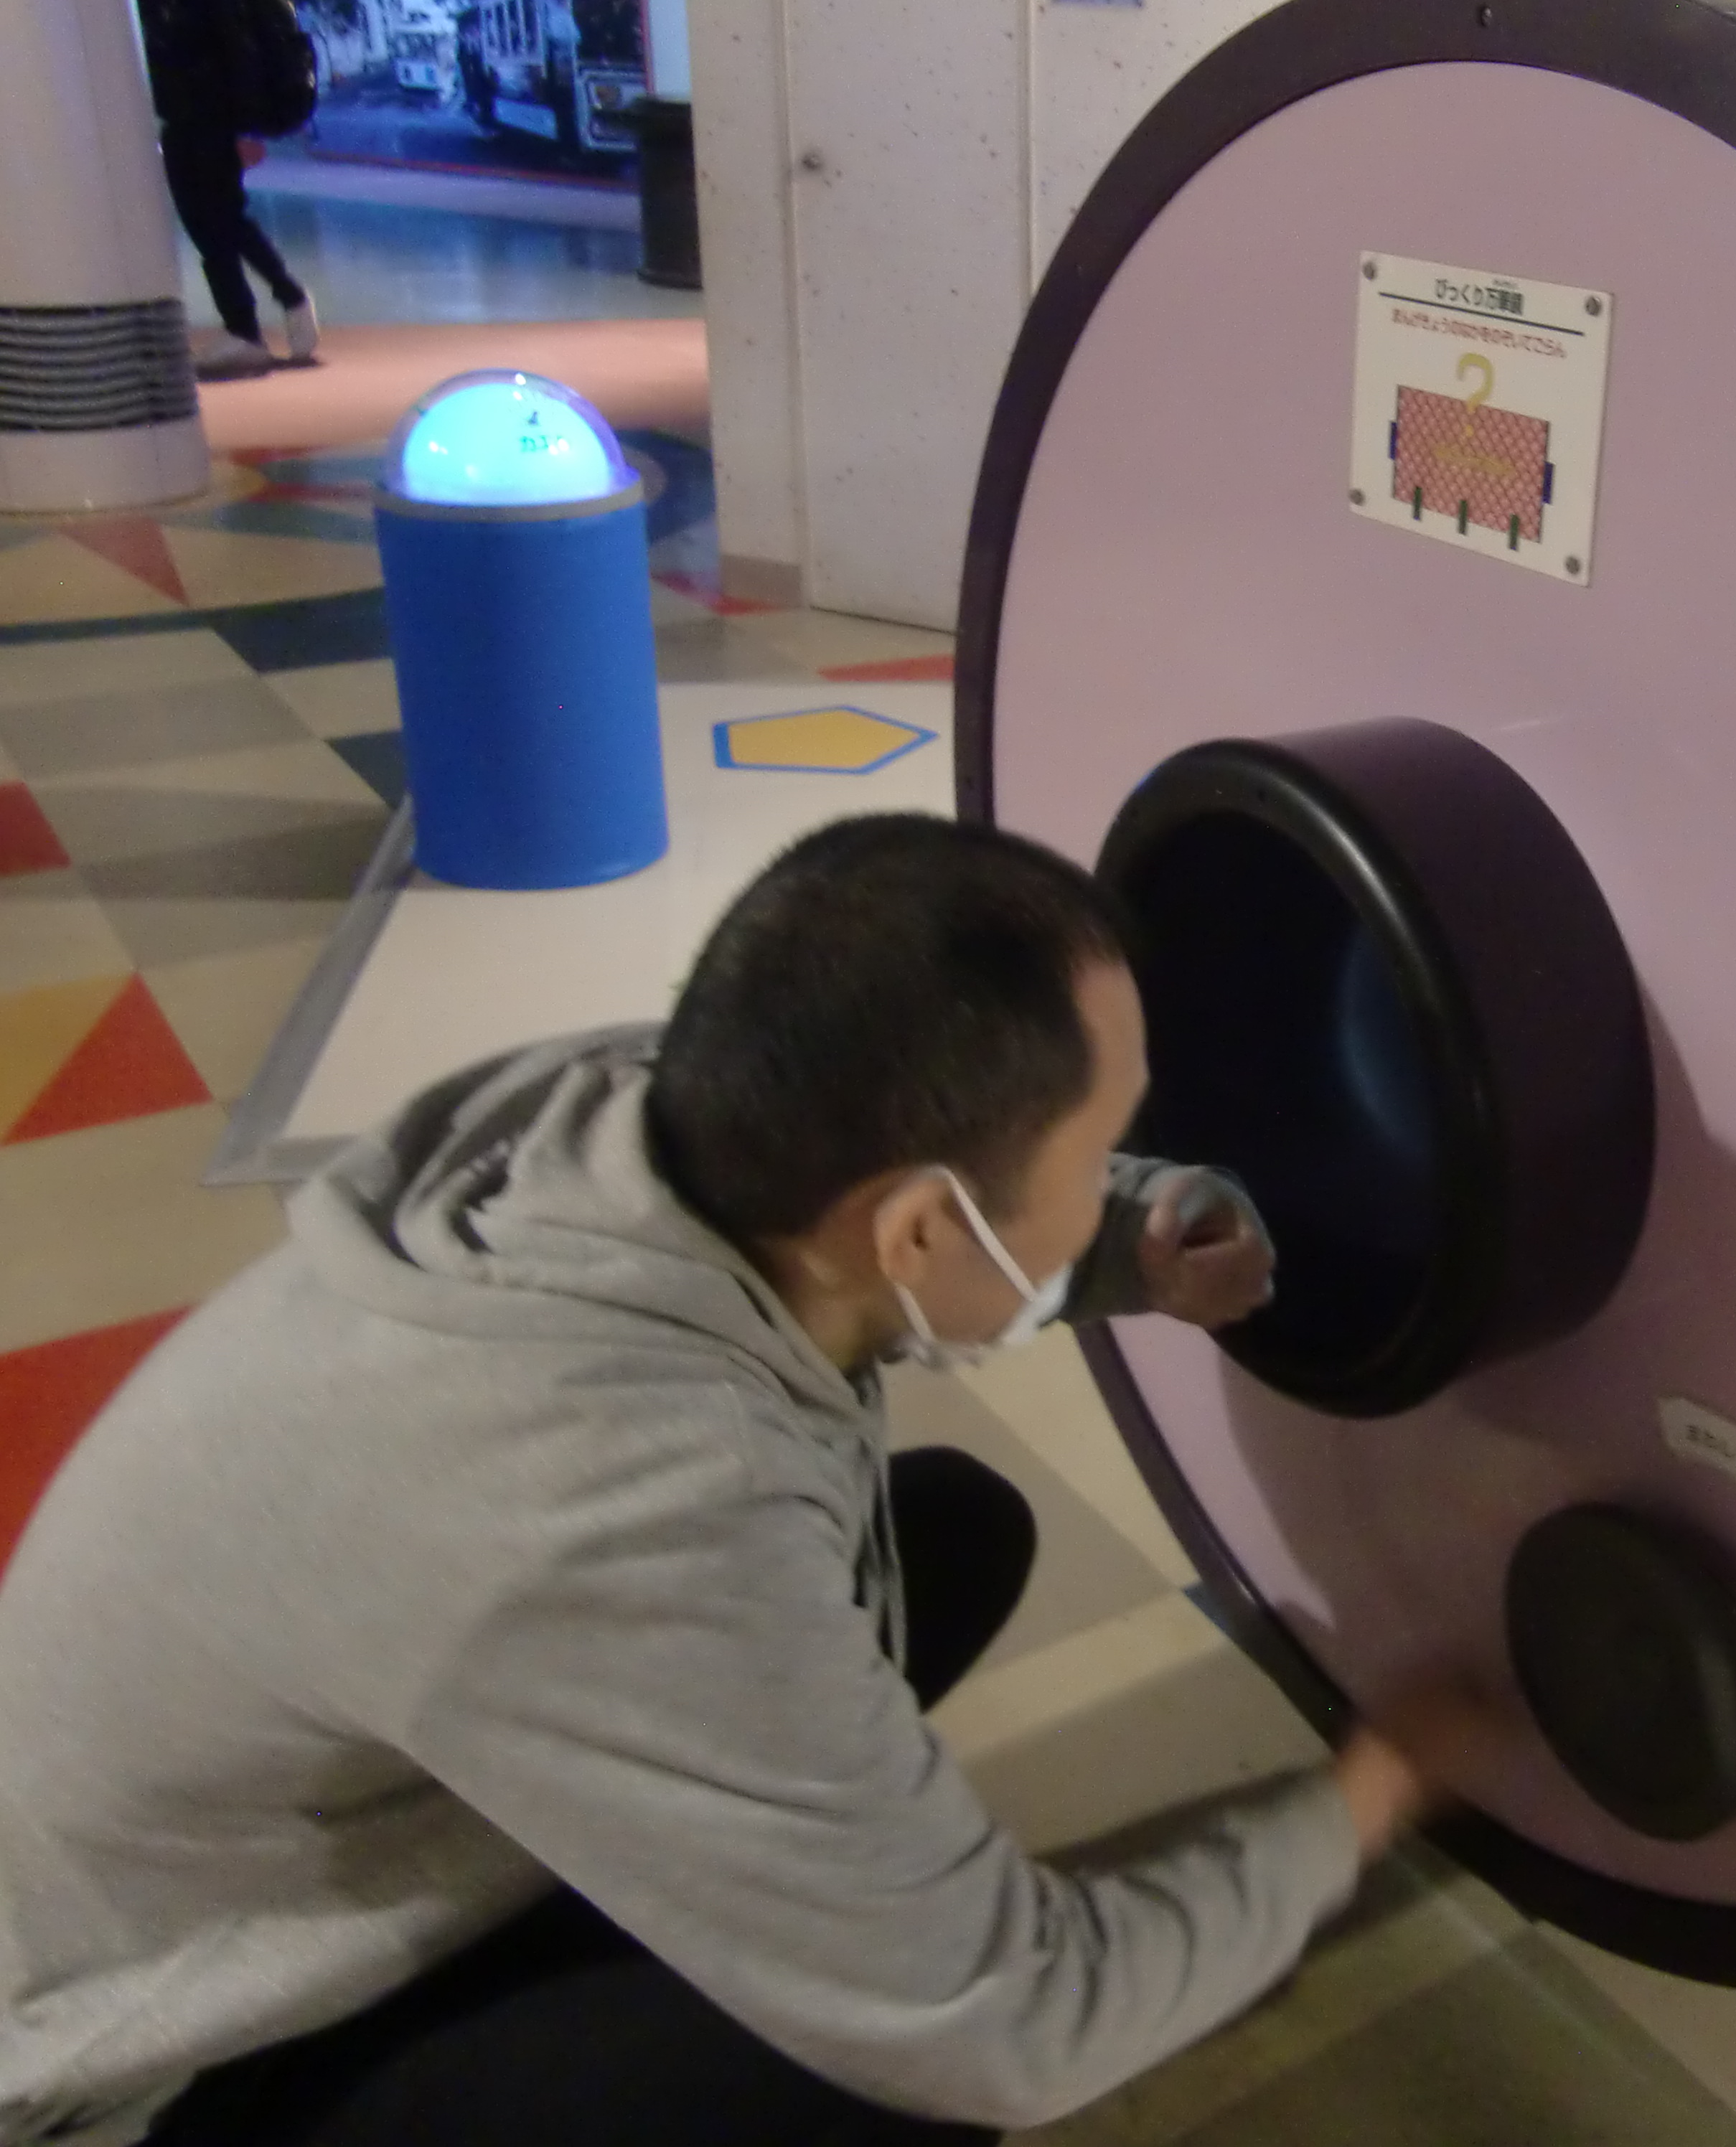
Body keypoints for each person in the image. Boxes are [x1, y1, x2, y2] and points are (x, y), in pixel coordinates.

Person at [0, 814, 1444, 2146]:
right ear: (919, 1232)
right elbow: (1014, 2028)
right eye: (1098, 1149)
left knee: (952, 1535)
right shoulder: (620, 1496)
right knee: (881, 2091)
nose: (1121, 1165)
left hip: (306, 1833)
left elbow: (914, 1222)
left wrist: (1133, 1239)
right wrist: (1363, 1801)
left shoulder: (641, 1111)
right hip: (158, 2067)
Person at [136, 0, 322, 380]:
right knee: (206, 224)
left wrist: (245, 129)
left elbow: (240, 57)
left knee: (221, 219)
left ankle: (255, 320)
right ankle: (262, 315)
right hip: (180, 119)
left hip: (215, 119)